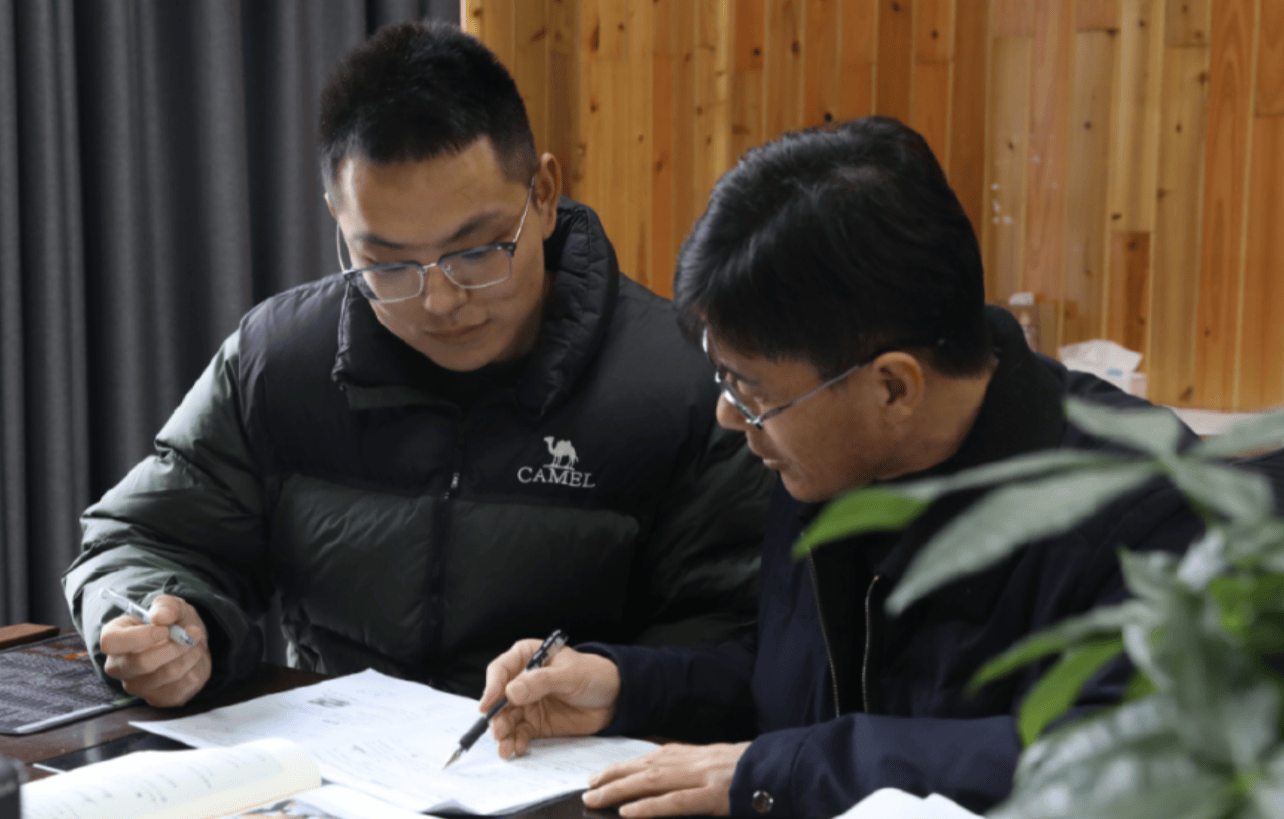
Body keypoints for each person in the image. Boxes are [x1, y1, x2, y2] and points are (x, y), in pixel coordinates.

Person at [478, 116, 1201, 818]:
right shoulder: (826, 455)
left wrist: (789, 772)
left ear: (893, 388)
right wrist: (627, 686)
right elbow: (795, 685)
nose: (729, 414)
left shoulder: (1153, 508)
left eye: (751, 390)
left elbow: (1124, 760)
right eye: (723, 379)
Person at [62, 22, 772, 708]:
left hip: (582, 770)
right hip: (332, 765)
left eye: (478, 252)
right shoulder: (279, 360)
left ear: (544, 195)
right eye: (387, 263)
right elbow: (136, 540)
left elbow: (749, 642)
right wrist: (160, 624)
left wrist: (618, 684)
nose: (439, 300)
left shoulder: (689, 387)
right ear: (338, 221)